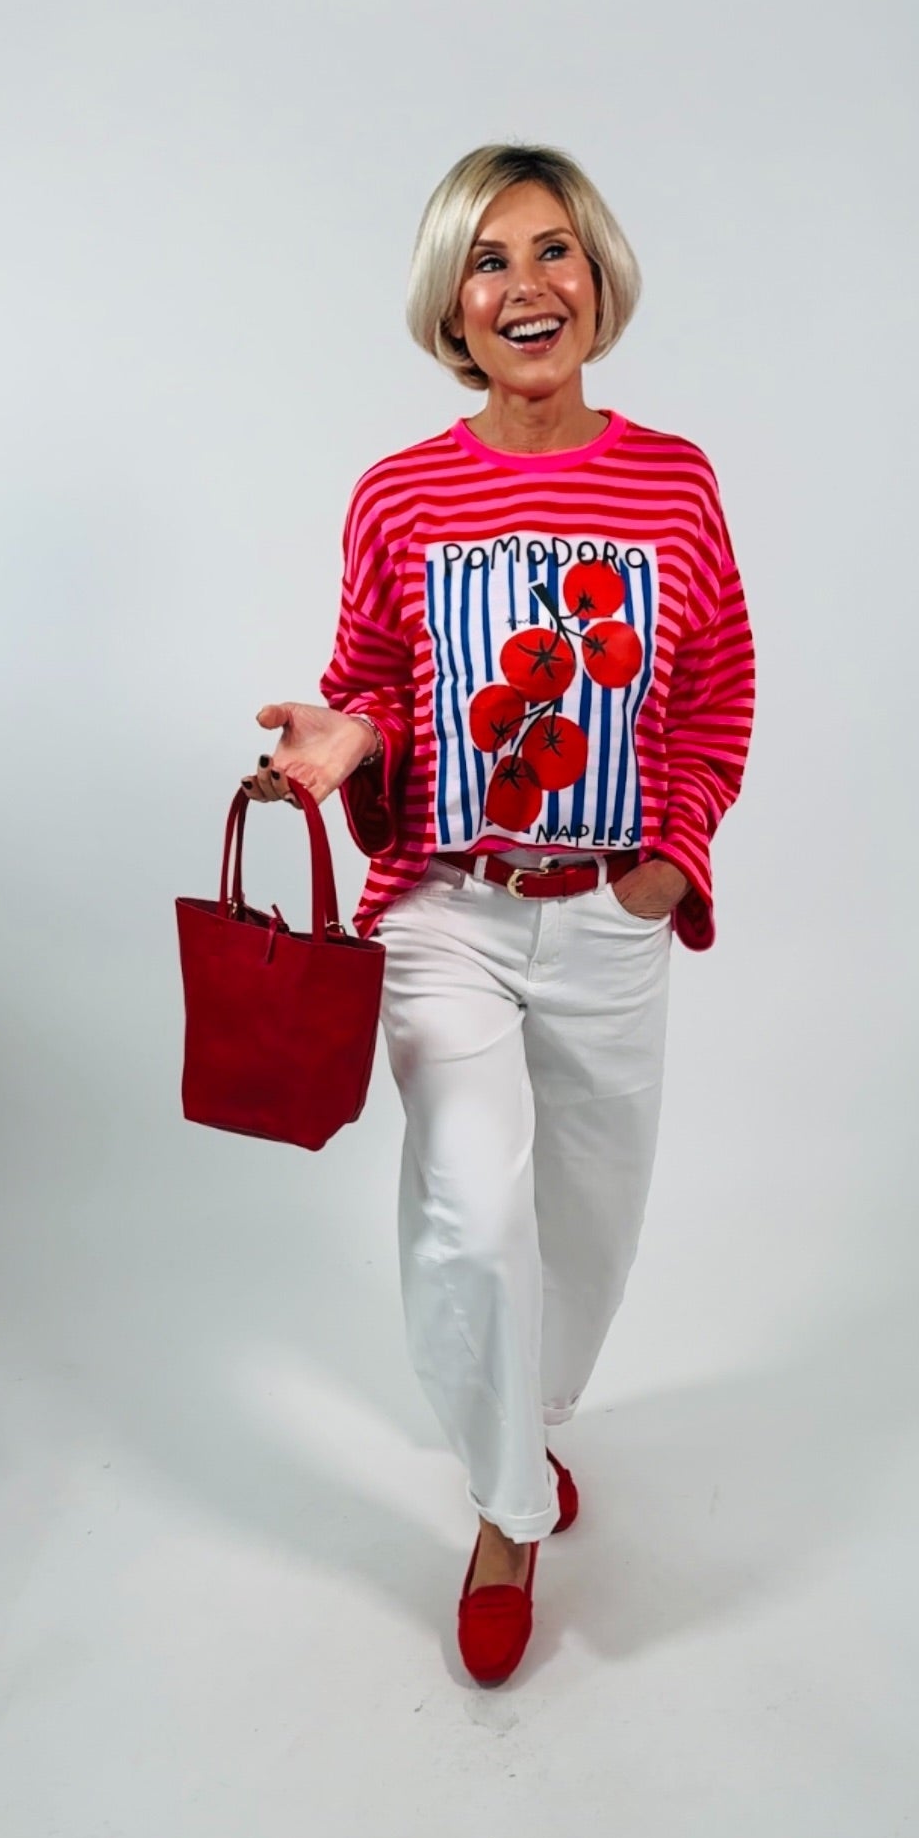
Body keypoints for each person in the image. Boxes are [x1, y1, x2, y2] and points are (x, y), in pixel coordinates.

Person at [241, 143, 755, 1685]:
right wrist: (347, 738)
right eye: (487, 259)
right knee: (471, 1210)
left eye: (551, 250)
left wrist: (668, 857)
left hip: (608, 914)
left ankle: (525, 1418)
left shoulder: (673, 483)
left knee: (589, 1225)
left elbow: (714, 691)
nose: (524, 286)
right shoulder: (400, 494)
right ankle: (503, 1515)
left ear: (595, 277)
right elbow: (375, 682)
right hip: (445, 911)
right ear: (450, 305)